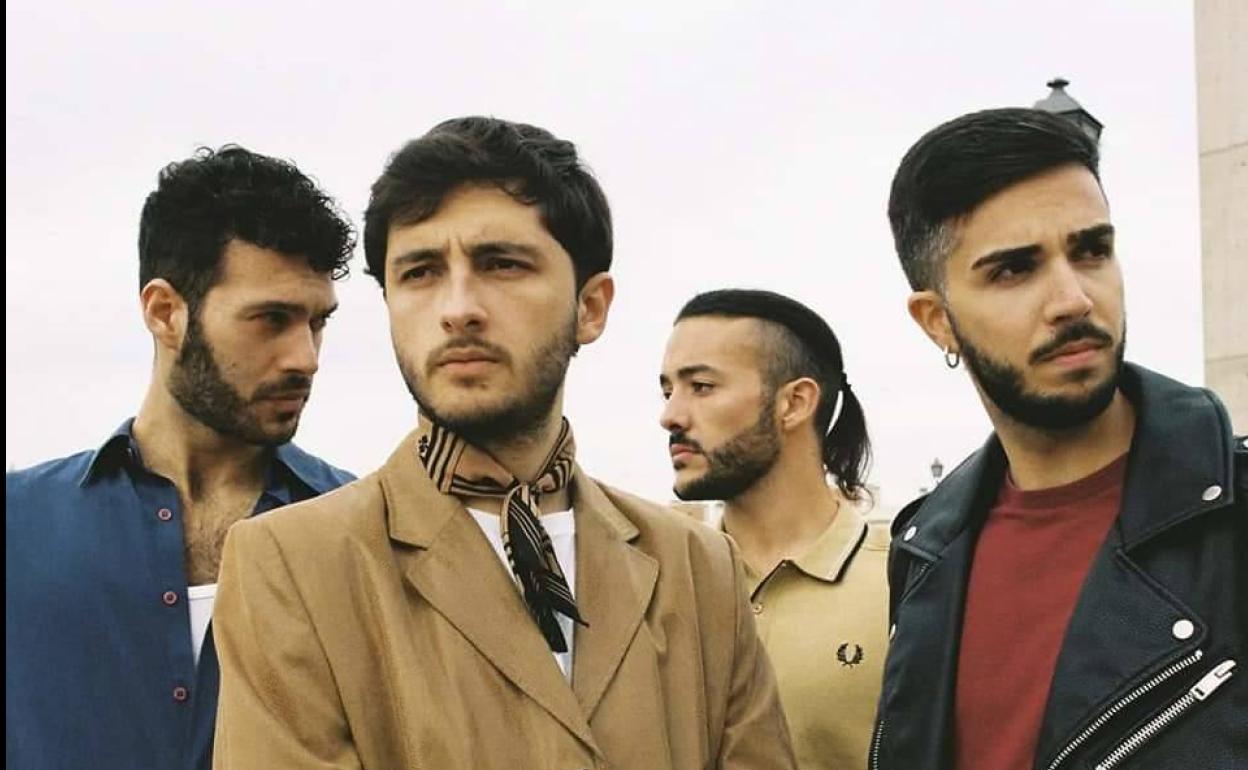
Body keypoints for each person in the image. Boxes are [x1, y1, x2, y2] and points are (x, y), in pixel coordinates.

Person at [210, 117, 796, 770]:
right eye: (420, 272)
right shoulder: (291, 564)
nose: (458, 307)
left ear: (591, 307)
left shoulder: (700, 567)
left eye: (502, 264)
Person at [872, 108, 1247, 770]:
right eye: (1014, 270)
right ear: (938, 321)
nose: (1073, 298)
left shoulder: (1233, 520)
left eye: (1091, 251)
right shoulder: (924, 553)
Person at [6, 146, 357, 770]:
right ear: (165, 313)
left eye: (317, 322)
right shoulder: (19, 524)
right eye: (271, 319)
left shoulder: (364, 535)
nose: (305, 357)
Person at [660, 288, 890, 770]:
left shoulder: (905, 585)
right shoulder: (654, 585)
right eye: (667, 391)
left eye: (701, 386)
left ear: (794, 403)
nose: (670, 416)